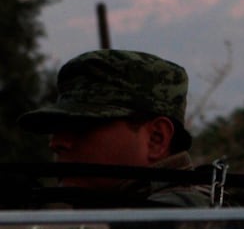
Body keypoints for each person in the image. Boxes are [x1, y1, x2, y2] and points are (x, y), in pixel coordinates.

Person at [17, 49, 212, 207]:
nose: (56, 142)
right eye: (57, 127)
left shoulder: (180, 215)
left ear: (156, 138)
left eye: (81, 126)